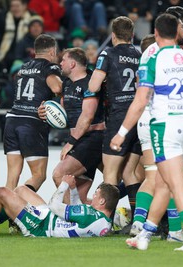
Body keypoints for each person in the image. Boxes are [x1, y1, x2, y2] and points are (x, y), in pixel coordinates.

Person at [111, 13, 183, 251]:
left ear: (156, 34)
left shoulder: (153, 60)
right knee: (163, 183)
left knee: (176, 184)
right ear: (178, 33)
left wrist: (122, 131)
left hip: (164, 127)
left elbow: (140, 101)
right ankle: (145, 235)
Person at [88, 16, 143, 218]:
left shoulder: (108, 53)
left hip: (119, 115)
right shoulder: (140, 55)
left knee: (110, 173)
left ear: (113, 36)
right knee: (130, 172)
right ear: (132, 35)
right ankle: (138, 220)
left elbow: (93, 86)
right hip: (139, 116)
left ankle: (104, 221)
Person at [38, 47, 104, 204]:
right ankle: (111, 217)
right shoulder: (67, 84)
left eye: (63, 60)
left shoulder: (90, 83)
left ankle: (73, 219)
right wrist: (45, 112)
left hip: (92, 139)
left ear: (73, 64)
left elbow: (87, 117)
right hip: (79, 139)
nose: (60, 63)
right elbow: (65, 115)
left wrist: (71, 143)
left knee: (59, 174)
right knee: (78, 199)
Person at [0, 175, 119, 238]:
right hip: (48, 217)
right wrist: (73, 189)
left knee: (0, 192)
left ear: (102, 202)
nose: (93, 196)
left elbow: (54, 205)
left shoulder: (88, 214)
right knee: (20, 190)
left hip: (41, 226)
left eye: (96, 194)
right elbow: (78, 210)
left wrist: (64, 184)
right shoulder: (104, 222)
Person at [3, 34, 62, 192]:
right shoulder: (50, 67)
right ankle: (20, 203)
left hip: (12, 120)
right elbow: (56, 88)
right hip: (31, 122)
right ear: (52, 51)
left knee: (12, 175)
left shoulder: (24, 66)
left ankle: (6, 213)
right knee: (38, 175)